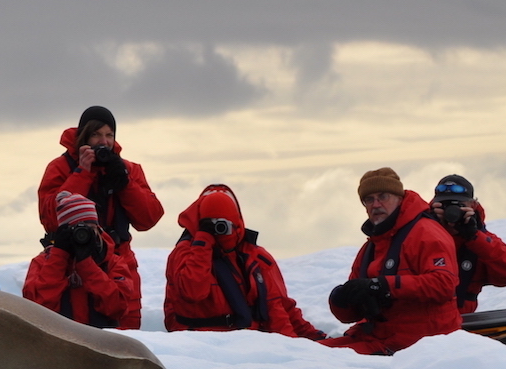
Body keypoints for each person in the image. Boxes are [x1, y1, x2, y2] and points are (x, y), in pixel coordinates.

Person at [37, 106, 163, 329]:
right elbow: (51, 219)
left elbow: (148, 218)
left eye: (109, 135)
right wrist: (82, 173)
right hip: (71, 264)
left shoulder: (129, 170)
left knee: (127, 342)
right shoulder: (60, 168)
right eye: (96, 134)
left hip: (119, 262)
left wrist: (124, 182)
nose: (103, 142)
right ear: (83, 136)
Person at [322, 167, 460, 354]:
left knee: (319, 361)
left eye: (383, 196)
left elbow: (443, 284)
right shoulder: (371, 247)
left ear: (399, 198)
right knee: (309, 354)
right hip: (380, 336)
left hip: (421, 344)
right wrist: (341, 300)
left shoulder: (426, 233)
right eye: (369, 200)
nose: (376, 204)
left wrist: (382, 285)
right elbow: (351, 314)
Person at [164, 184, 326, 339]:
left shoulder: (257, 257)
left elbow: (281, 308)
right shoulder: (185, 254)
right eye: (213, 224)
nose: (220, 232)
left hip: (254, 345)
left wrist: (312, 340)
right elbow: (193, 291)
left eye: (225, 225)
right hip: (205, 349)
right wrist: (203, 242)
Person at [24, 191, 133, 328]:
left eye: (90, 229)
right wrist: (59, 255)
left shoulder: (113, 263)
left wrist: (87, 265)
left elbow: (117, 308)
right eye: (75, 230)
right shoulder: (42, 263)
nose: (82, 235)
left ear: (99, 229)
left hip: (101, 341)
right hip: (58, 342)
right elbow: (38, 310)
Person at [428, 174, 506, 314]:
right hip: (424, 319)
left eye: (459, 205)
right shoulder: (420, 236)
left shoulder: (480, 239)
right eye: (445, 205)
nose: (451, 212)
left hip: (463, 320)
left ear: (473, 205)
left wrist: (474, 237)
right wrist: (430, 225)